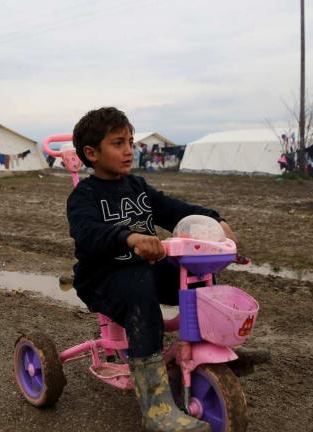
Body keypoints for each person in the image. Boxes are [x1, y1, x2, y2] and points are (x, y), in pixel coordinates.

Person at [67, 107, 233, 432]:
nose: (129, 150)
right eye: (118, 143)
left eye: (131, 141)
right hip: (102, 278)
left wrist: (215, 220)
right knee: (139, 285)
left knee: (199, 272)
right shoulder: (83, 196)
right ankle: (155, 407)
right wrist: (129, 238)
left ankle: (207, 348)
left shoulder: (137, 186)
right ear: (91, 153)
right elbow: (89, 234)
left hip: (143, 272)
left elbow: (172, 209)